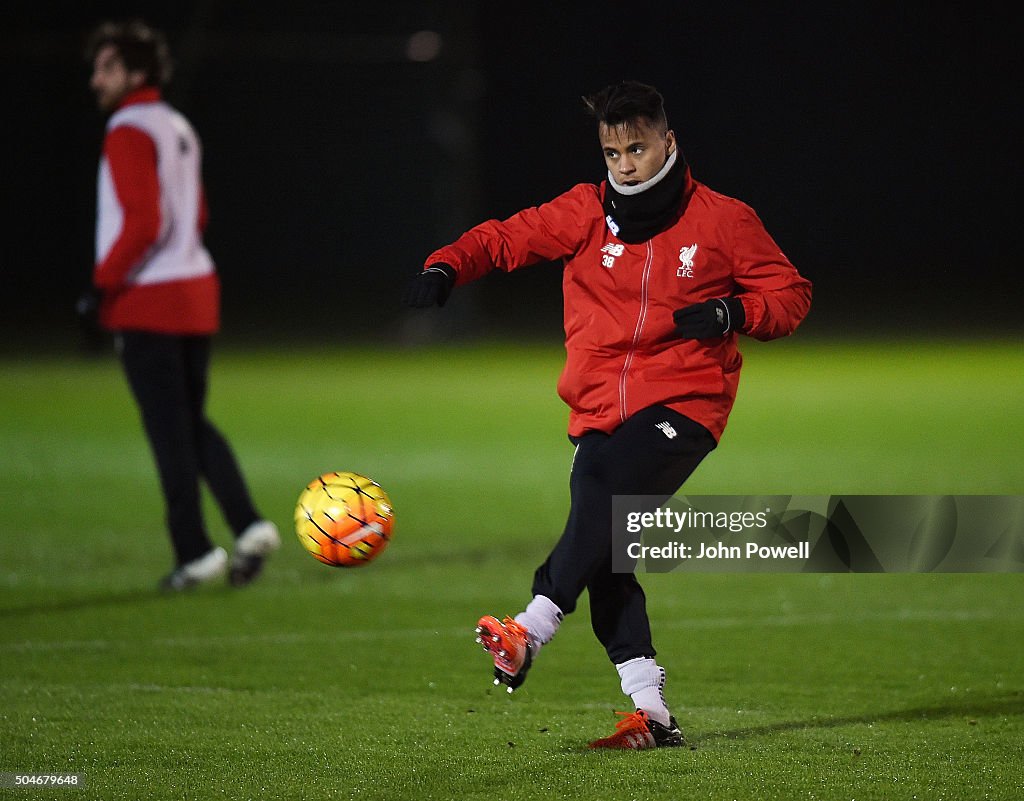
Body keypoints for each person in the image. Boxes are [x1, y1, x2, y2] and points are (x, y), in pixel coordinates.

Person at [404, 81, 812, 749]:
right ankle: (651, 714)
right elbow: (505, 238)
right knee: (607, 551)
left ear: (668, 142)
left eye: (638, 147)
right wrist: (448, 265)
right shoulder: (584, 212)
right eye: (613, 150)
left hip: (686, 402)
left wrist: (734, 312)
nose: (625, 162)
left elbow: (790, 294)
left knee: (600, 496)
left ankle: (530, 628)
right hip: (597, 408)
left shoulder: (723, 220)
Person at [80, 20, 280, 591]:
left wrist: (101, 287)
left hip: (151, 300)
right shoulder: (175, 123)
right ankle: (247, 525)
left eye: (107, 67)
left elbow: (145, 222)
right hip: (195, 291)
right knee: (189, 423)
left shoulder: (125, 129)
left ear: (136, 73)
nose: (96, 79)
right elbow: (195, 218)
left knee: (169, 432)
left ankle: (194, 551)